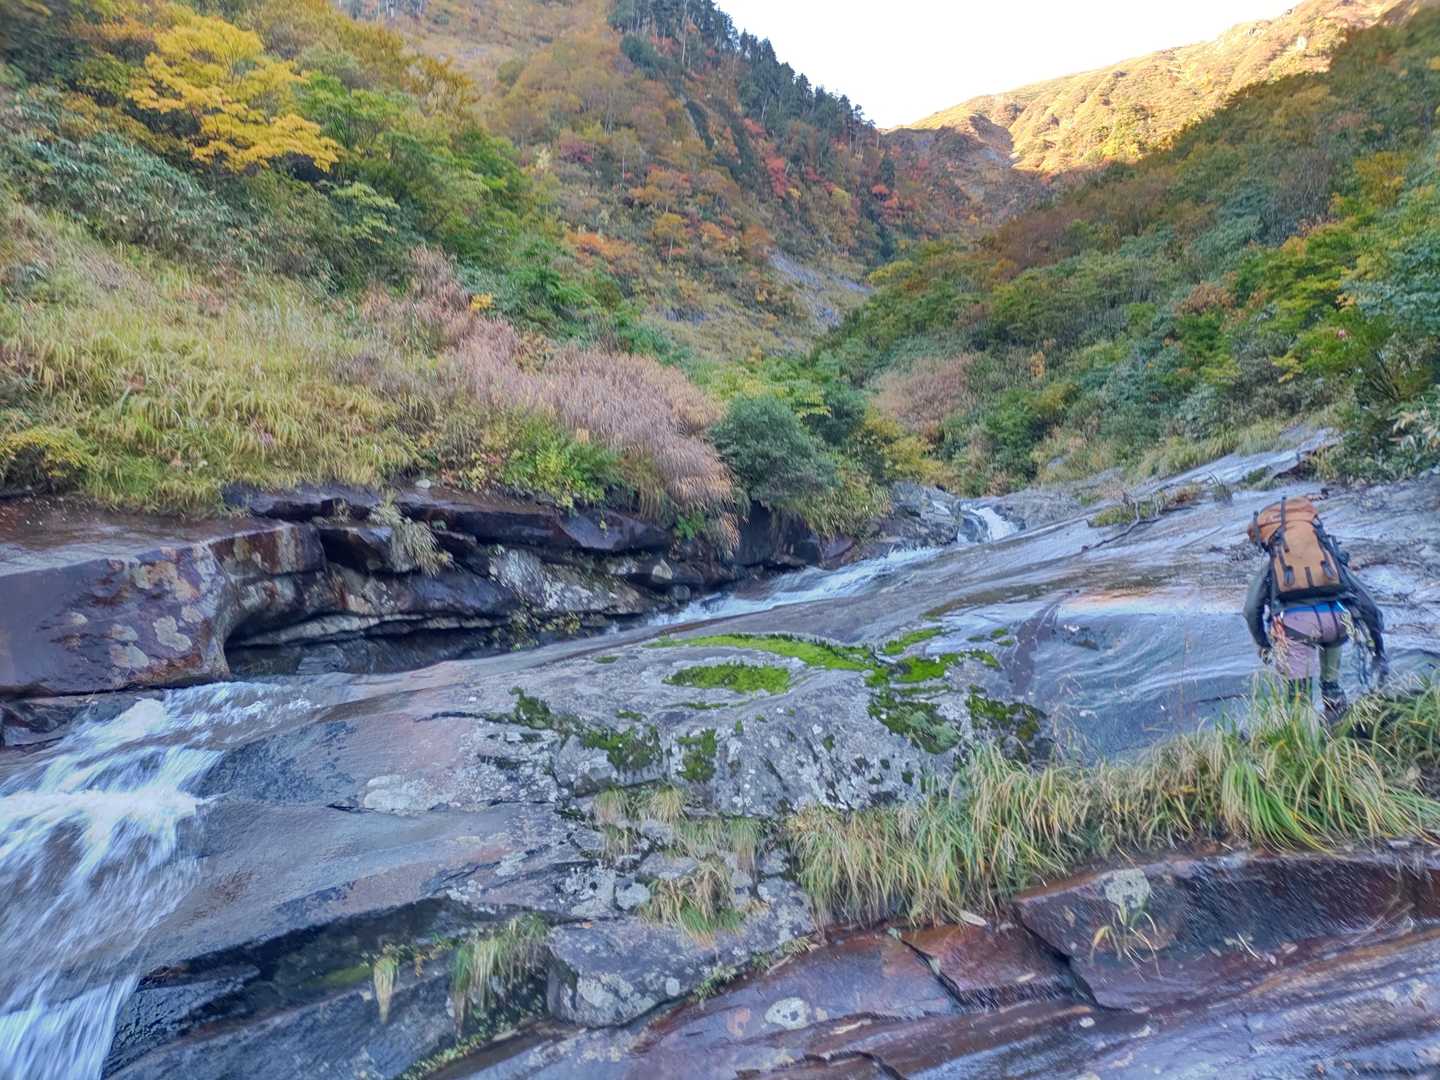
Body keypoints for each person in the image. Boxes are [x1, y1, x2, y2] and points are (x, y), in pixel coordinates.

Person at [1243, 497, 1388, 722]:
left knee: (1298, 697)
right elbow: (1367, 602)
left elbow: (1251, 610)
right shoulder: (1329, 560)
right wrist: (1378, 645)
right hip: (1338, 623)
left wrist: (1264, 645)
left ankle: (1305, 736)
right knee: (1331, 684)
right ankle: (1339, 722)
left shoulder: (1273, 567)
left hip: (1297, 628)